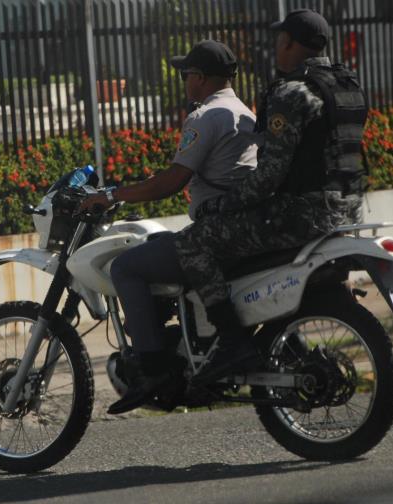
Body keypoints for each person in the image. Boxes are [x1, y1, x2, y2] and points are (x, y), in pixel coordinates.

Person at [173, 8, 369, 384]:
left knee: (192, 243)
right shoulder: (345, 84)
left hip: (301, 216)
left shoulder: (293, 93)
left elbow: (268, 177)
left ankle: (231, 341)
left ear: (290, 43)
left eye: (280, 40)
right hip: (349, 212)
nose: (276, 47)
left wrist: (219, 204)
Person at [76, 40, 259, 415]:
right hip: (245, 230)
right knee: (159, 244)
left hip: (217, 233)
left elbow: (171, 182)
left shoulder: (207, 116)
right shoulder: (244, 111)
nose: (184, 81)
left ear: (200, 78)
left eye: (186, 74)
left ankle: (153, 370)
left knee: (126, 267)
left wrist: (111, 195)